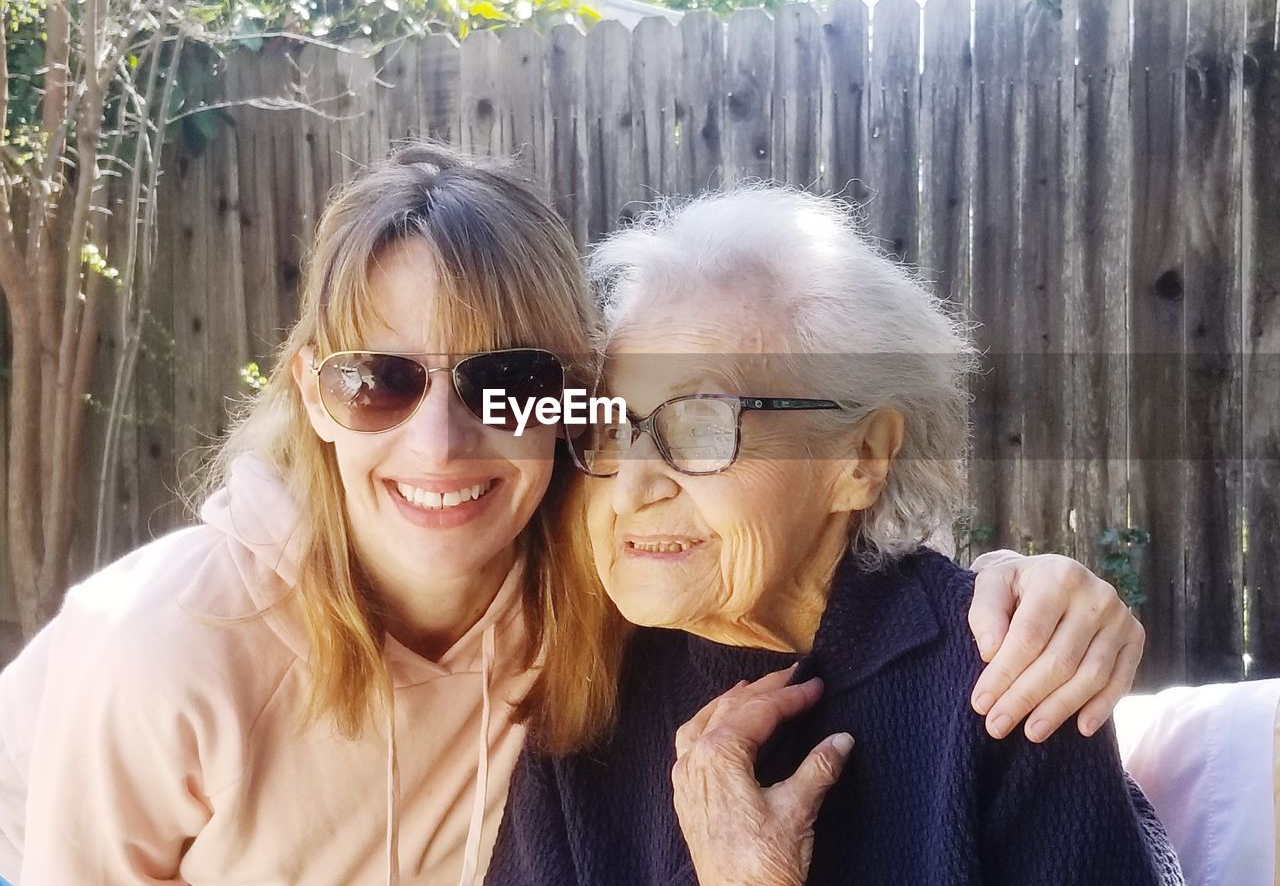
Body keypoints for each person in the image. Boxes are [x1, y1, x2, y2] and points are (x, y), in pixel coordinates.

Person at [0, 145, 1146, 886]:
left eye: (696, 424)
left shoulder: (580, 627)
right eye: (377, 379)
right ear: (312, 388)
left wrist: (1027, 588)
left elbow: (856, 581)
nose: (633, 481)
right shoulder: (580, 675)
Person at [486, 186, 1183, 886]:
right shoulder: (586, 715)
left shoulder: (1009, 677)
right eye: (611, 429)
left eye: (700, 426)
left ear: (861, 459)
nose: (631, 491)